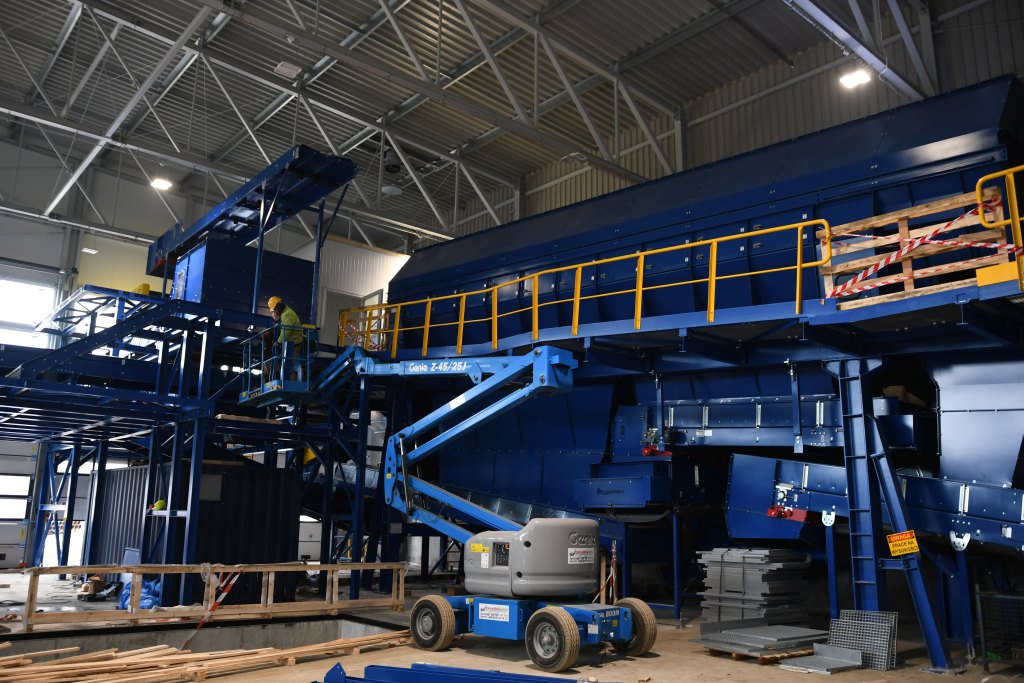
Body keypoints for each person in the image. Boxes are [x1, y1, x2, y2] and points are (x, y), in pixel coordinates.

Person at [268, 296, 304, 382]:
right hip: (290, 344)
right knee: (280, 364)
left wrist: (279, 342)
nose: (273, 313)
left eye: (273, 311)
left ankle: (291, 384)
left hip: (294, 344)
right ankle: (283, 382)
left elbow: (286, 331)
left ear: (277, 309)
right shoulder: (284, 314)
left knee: (287, 365)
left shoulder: (288, 315)